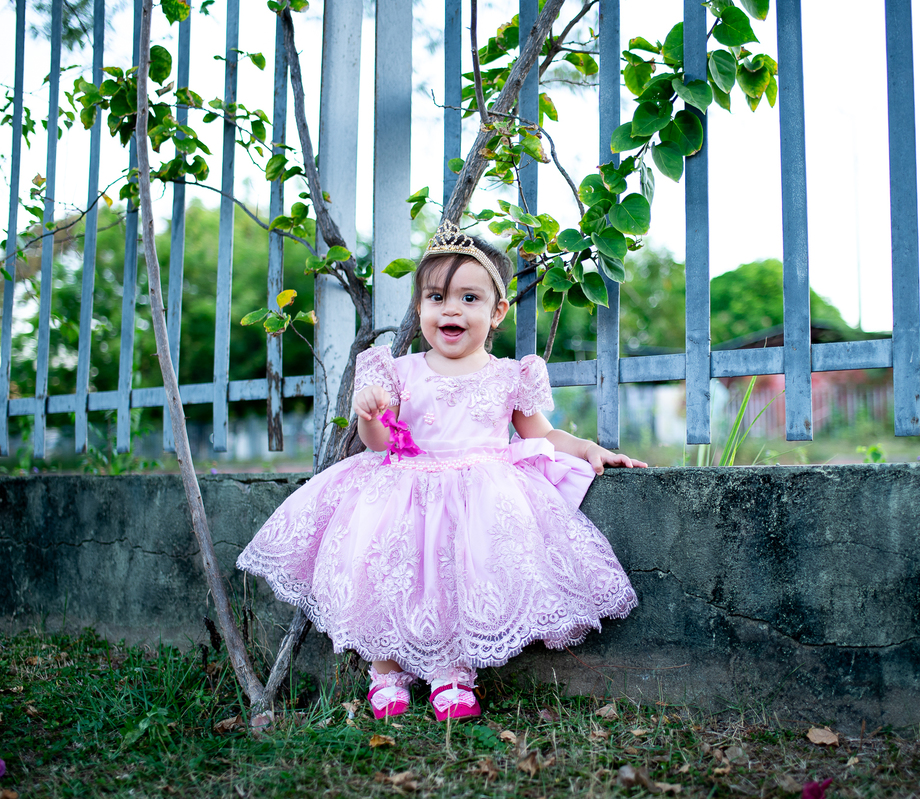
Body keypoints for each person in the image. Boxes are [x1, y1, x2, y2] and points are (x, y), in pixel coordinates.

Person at [237, 220, 645, 722]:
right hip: (401, 490)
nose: (451, 309)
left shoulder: (508, 376)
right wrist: (371, 415)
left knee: (459, 578)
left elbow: (541, 435)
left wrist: (586, 448)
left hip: (476, 498)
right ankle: (385, 672)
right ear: (420, 308)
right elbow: (385, 444)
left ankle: (451, 675)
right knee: (386, 573)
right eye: (436, 297)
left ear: (497, 312)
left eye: (469, 299)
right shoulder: (397, 372)